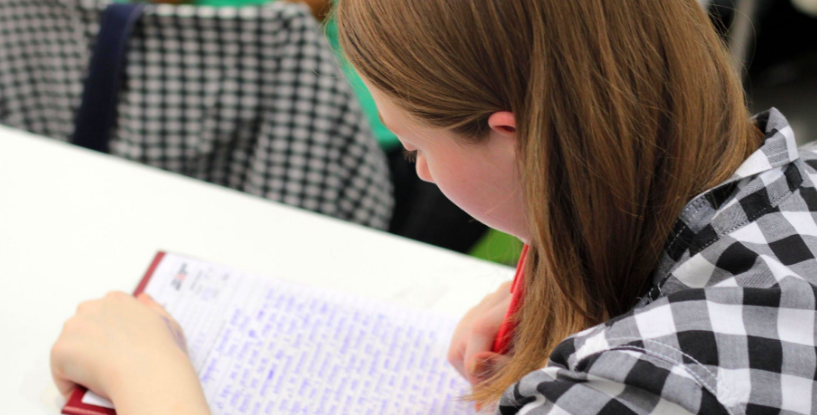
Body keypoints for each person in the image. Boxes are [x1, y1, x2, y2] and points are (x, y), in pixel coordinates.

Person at [50, 0, 817, 414]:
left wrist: (153, 380)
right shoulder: (791, 187)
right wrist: (577, 282)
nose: (415, 167)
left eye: (415, 147)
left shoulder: (631, 388)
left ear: (513, 137)